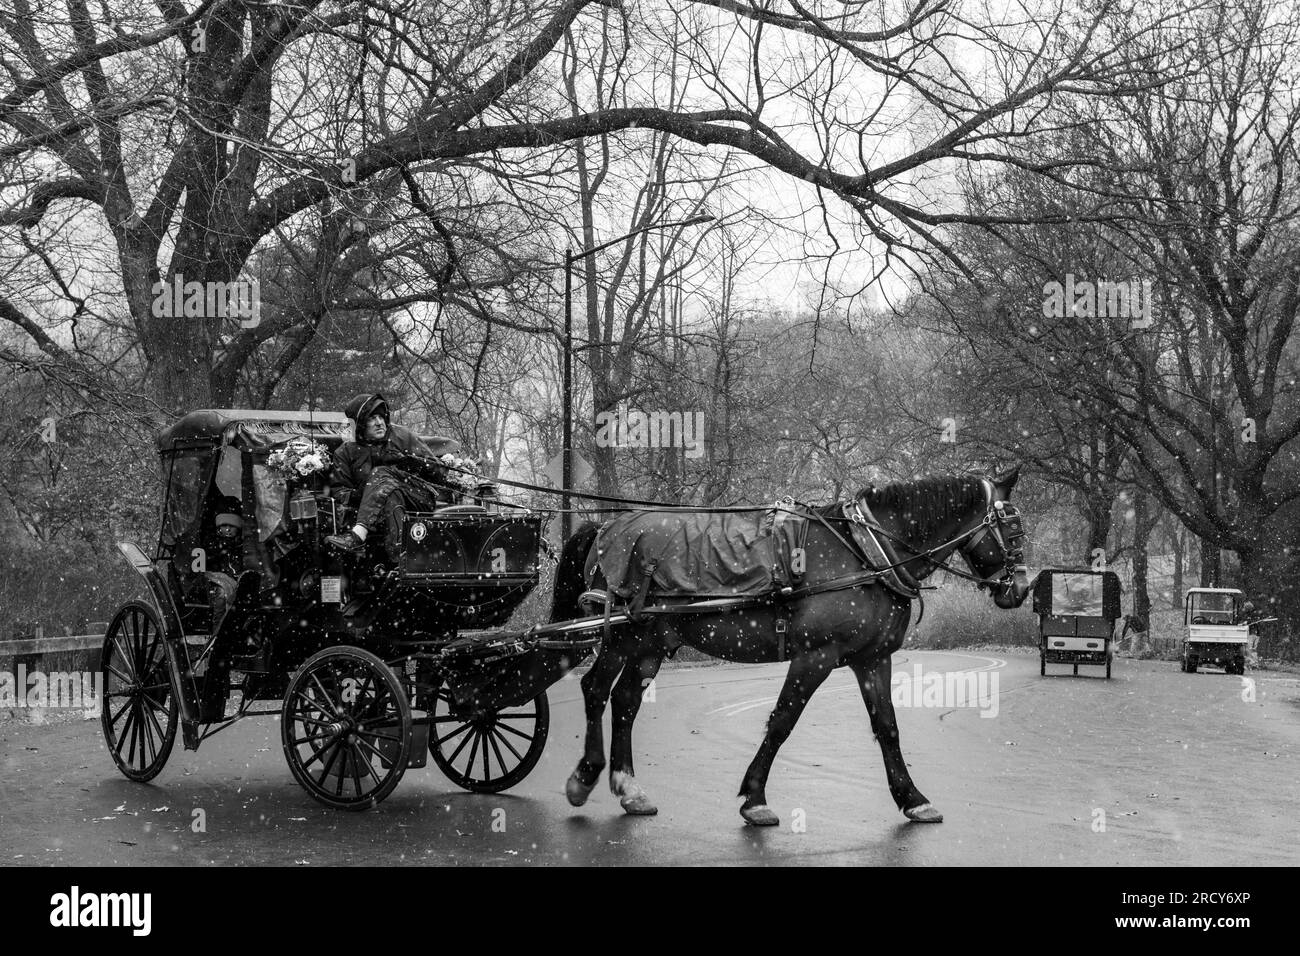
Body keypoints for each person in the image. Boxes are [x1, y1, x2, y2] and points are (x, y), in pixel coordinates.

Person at [325, 393, 452, 558]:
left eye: (381, 416)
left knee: (380, 473)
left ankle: (358, 536)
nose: (379, 423)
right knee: (389, 492)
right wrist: (365, 492)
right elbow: (339, 491)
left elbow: (439, 474)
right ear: (361, 424)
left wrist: (411, 463)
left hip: (417, 499)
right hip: (378, 512)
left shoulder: (402, 436)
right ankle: (399, 556)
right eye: (372, 418)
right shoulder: (346, 452)